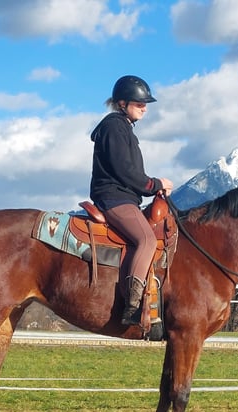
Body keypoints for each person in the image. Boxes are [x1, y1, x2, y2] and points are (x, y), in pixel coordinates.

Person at [90, 75, 174, 325]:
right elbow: (125, 170)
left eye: (145, 103)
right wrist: (155, 184)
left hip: (124, 197)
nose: (144, 107)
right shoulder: (114, 127)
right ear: (122, 103)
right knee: (146, 239)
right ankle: (133, 307)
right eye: (139, 103)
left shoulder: (123, 127)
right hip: (114, 197)